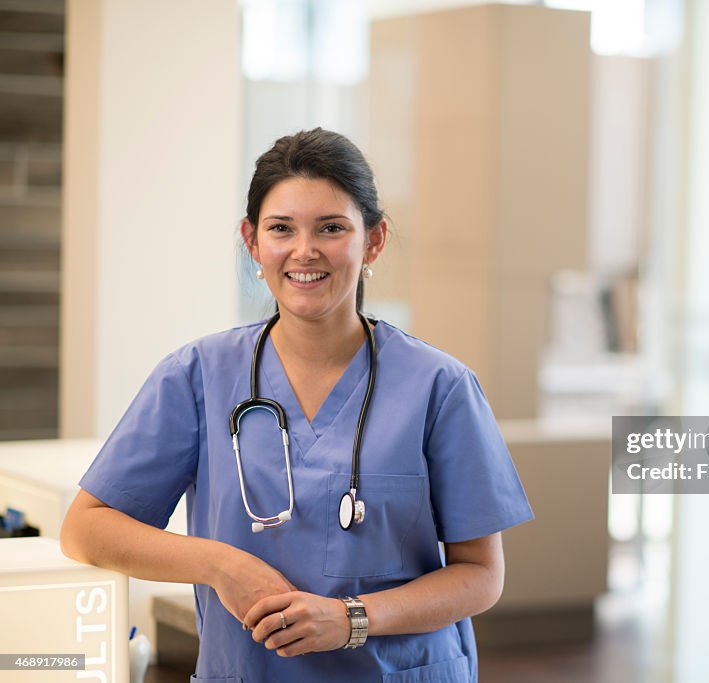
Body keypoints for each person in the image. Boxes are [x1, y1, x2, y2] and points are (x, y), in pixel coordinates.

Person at [60, 128, 533, 682]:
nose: (304, 251)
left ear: (373, 240)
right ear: (252, 241)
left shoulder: (440, 387)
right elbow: (87, 529)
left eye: (332, 228)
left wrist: (353, 619)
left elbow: (480, 575)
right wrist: (221, 564)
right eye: (281, 228)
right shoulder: (197, 376)